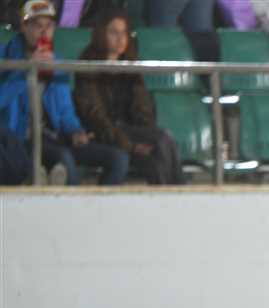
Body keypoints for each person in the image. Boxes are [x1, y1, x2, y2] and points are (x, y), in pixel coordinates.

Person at [0, 0, 129, 185]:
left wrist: (75, 130)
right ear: (24, 27)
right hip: (19, 140)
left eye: (49, 26)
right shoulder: (5, 57)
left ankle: (96, 203)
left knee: (118, 159)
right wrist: (27, 70)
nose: (44, 32)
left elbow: (65, 109)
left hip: (54, 137)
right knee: (64, 158)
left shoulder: (56, 61)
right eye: (38, 26)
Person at [73, 8, 184, 185]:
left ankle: (176, 197)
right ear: (101, 34)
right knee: (162, 140)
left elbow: (144, 108)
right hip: (104, 135)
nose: (120, 39)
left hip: (131, 132)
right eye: (113, 32)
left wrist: (146, 137)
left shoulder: (131, 65)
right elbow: (96, 118)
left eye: (124, 33)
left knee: (160, 149)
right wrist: (131, 146)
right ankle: (179, 194)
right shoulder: (87, 66)